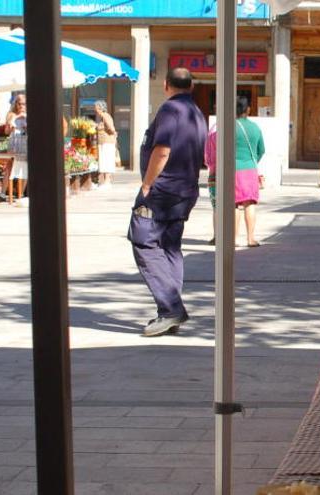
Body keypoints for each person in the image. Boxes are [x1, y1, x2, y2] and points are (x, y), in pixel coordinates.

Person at [128, 67, 207, 338]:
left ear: (165, 85)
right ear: (192, 85)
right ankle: (171, 310)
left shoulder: (170, 110)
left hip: (162, 191)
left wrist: (147, 184)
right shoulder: (197, 113)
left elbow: (162, 150)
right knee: (170, 247)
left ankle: (171, 308)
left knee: (144, 242)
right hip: (185, 190)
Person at [205, 97, 266, 247]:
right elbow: (261, 150)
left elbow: (218, 149)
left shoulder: (226, 127)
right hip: (250, 169)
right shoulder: (255, 128)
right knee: (250, 203)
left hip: (232, 170)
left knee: (235, 205)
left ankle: (233, 239)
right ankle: (251, 238)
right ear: (248, 110)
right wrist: (251, 161)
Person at [5, 93, 28, 205]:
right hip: (14, 143)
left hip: (24, 143)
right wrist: (17, 118)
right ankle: (3, 193)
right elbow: (7, 131)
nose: (21, 106)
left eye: (23, 104)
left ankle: (21, 193)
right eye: (19, 103)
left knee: (24, 168)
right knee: (9, 167)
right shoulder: (11, 114)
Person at [95, 100, 118, 190]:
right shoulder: (102, 117)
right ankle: (105, 181)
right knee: (104, 161)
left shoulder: (105, 116)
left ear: (100, 108)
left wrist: (113, 133)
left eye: (96, 107)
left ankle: (107, 182)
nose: (95, 110)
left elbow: (111, 128)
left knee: (107, 161)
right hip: (104, 142)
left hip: (107, 142)